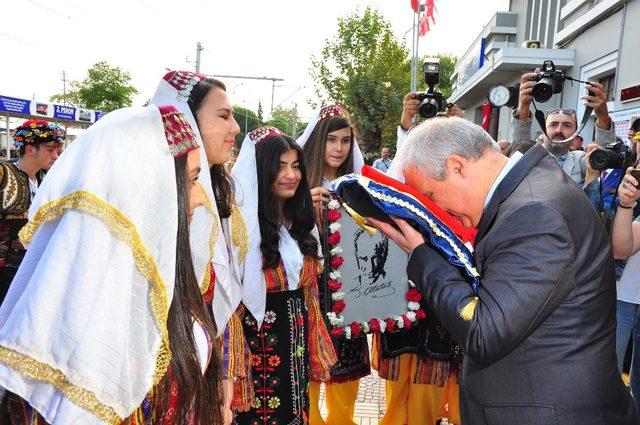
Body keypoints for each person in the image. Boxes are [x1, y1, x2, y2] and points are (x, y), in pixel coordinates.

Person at [370, 117, 638, 424]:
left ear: (457, 166)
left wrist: (423, 257)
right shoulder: (529, 191)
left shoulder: (534, 212)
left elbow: (485, 332)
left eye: (430, 196)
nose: (437, 211)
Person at [0, 105, 225, 424]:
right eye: (191, 180)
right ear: (148, 190)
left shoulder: (160, 281)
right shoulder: (79, 317)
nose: (201, 198)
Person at [152, 70, 248, 420]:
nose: (235, 127)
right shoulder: (158, 201)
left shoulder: (218, 189)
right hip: (168, 363)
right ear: (185, 121)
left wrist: (223, 372)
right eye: (223, 116)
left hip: (202, 353)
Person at [231, 126, 336, 424]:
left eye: (295, 166)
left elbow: (309, 292)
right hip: (256, 346)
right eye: (280, 167)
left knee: (295, 411)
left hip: (296, 345)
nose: (291, 175)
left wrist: (315, 346)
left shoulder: (301, 220)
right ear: (262, 171)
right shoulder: (241, 226)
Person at [297, 103, 368, 425]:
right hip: (309, 295)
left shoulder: (357, 185)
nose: (339, 148)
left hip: (347, 297)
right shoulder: (295, 182)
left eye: (345, 141)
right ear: (318, 141)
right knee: (307, 378)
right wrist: (301, 210)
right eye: (331, 140)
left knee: (346, 379)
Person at [512, 68, 615, 184]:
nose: (559, 130)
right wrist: (523, 105)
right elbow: (519, 146)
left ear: (576, 134)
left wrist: (603, 116)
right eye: (553, 124)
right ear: (543, 131)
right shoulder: (530, 157)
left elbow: (607, 157)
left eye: (567, 126)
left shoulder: (581, 161)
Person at [0, 119, 63, 304]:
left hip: (30, 267)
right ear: (30, 149)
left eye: (57, 151)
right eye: (50, 150)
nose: (56, 156)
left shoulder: (48, 180)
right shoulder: (4, 172)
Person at [612, 167, 640, 412]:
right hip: (623, 298)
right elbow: (620, 248)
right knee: (610, 371)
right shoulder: (629, 187)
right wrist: (625, 205)